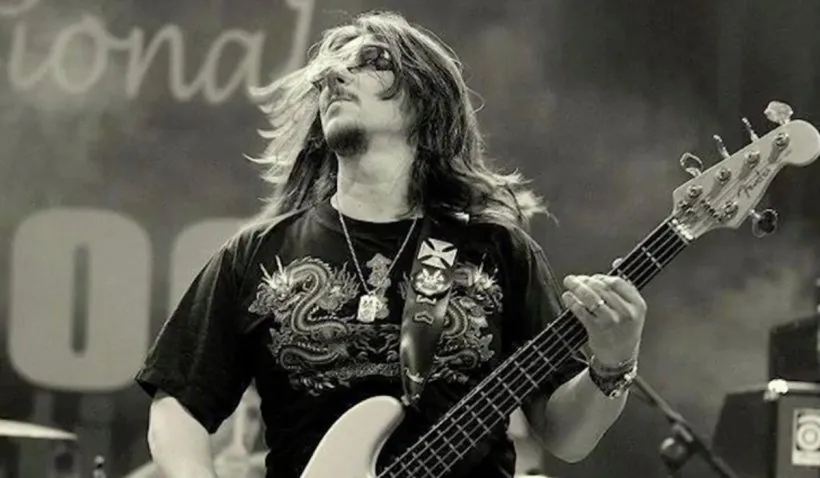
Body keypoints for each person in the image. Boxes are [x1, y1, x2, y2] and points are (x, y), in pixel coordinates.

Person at [135, 10, 647, 478]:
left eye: (370, 62)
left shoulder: (496, 250)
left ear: (426, 100)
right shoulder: (258, 254)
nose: (335, 77)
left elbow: (567, 437)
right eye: (331, 70)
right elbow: (177, 405)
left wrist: (613, 362)